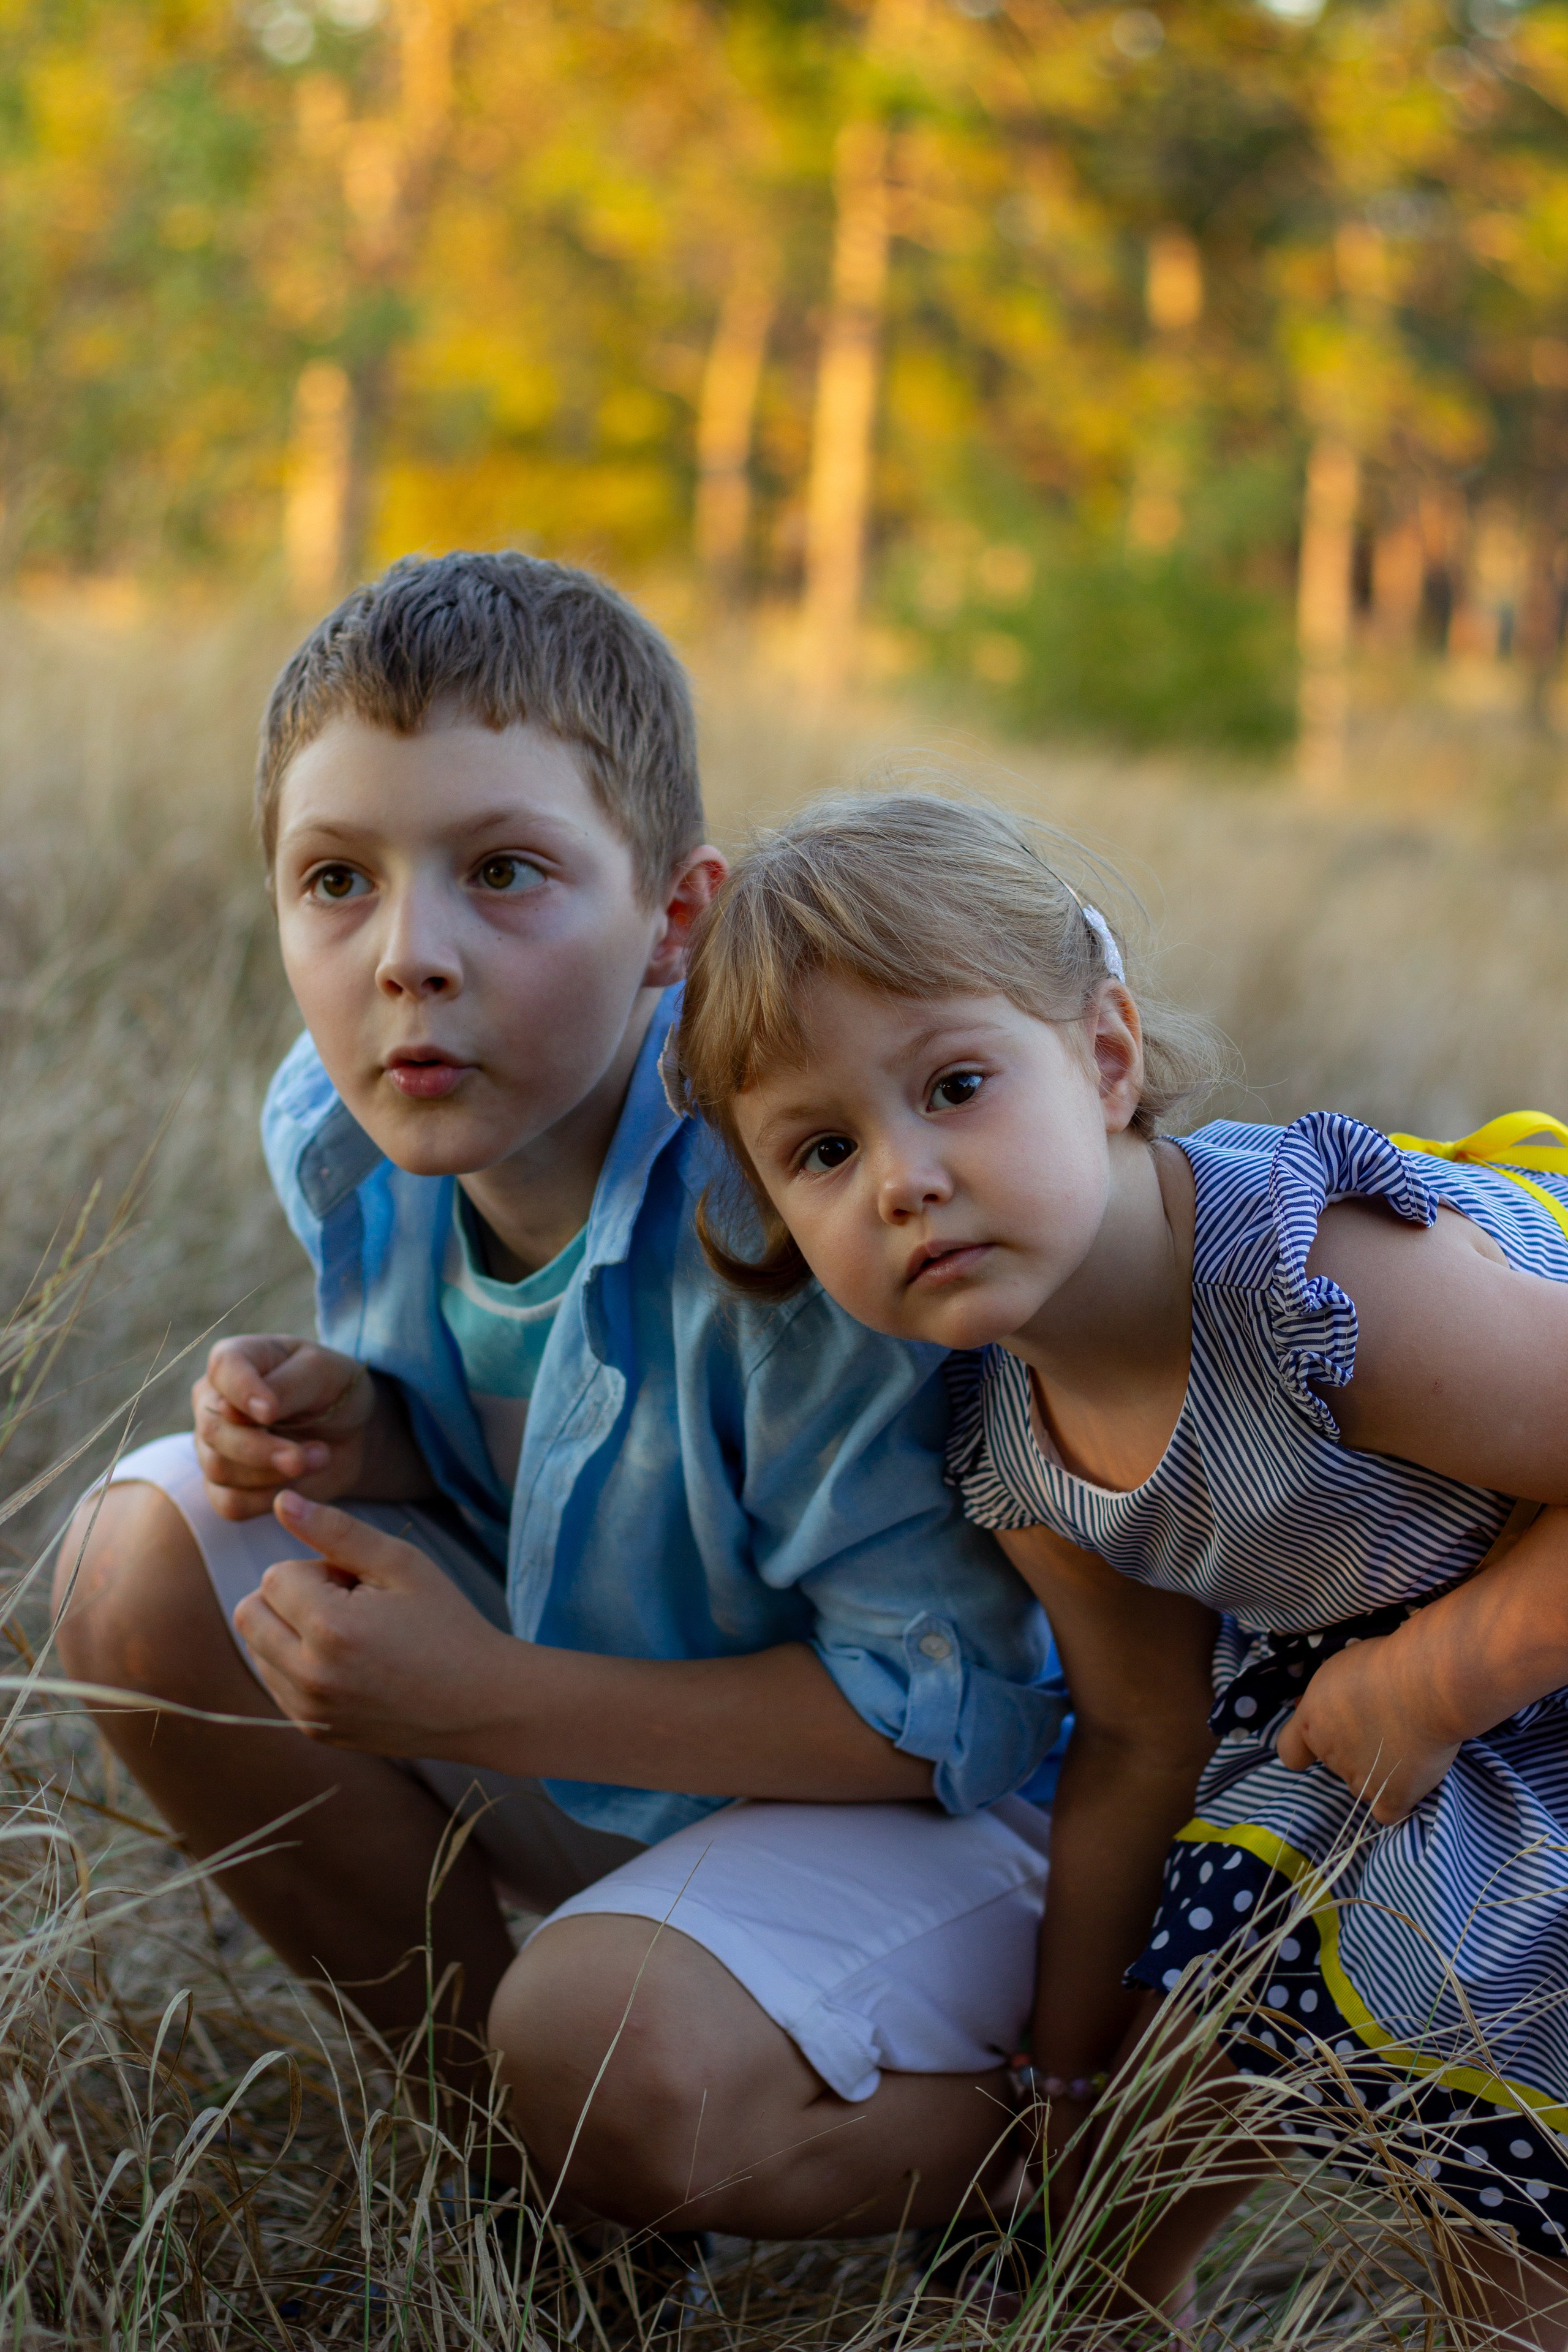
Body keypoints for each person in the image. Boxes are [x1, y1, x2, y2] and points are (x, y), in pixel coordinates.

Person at [54, 559, 1065, 2244]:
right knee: (137, 1555)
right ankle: (544, 2197)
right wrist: (363, 1428)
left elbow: (955, 1716)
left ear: (673, 916)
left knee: (606, 2048)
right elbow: (554, 1461)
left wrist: (494, 1699)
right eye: (336, 883)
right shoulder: (342, 1125)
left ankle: (1079, 2142)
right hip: (606, 1735)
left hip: (940, 1830)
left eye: (505, 872)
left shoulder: (784, 1213)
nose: (409, 959)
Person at [673, 786, 1568, 2345]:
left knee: (1507, 2203)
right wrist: (1061, 2069)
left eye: (954, 1084)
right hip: (1388, 1687)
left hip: (1506, 1630)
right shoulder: (1015, 1440)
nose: (903, 1177)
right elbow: (1144, 1736)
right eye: (822, 1149)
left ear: (1101, 1055)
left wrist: (1434, 1681)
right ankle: (1094, 2295)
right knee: (1205, 1972)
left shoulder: (1314, 1281)